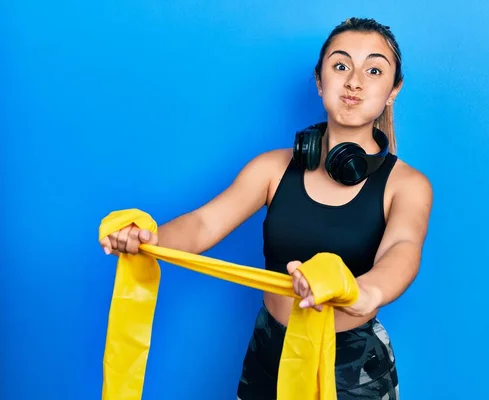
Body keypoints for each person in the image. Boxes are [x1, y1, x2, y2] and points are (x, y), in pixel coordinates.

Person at [99, 17, 432, 400]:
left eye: (374, 70)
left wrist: (365, 293)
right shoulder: (271, 169)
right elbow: (204, 223)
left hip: (352, 364)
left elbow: (402, 250)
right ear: (320, 81)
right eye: (341, 66)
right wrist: (146, 239)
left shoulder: (406, 184)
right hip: (269, 349)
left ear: (393, 90)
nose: (354, 81)